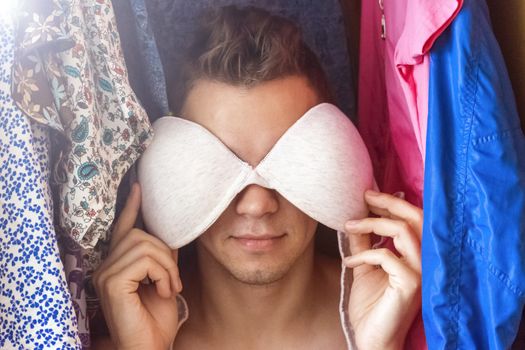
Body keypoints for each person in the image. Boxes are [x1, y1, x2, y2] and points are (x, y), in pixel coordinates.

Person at [92, 6, 422, 350]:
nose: (257, 204)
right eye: (219, 162)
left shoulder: (421, 319)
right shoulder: (119, 342)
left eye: (289, 158)